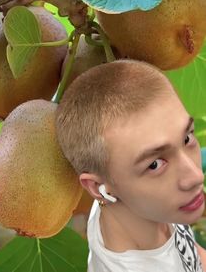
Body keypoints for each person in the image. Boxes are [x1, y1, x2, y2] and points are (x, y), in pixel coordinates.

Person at [55, 59, 206, 272]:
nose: (195, 176)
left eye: (187, 139)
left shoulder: (143, 205)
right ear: (98, 188)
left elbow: (194, 255)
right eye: (154, 164)